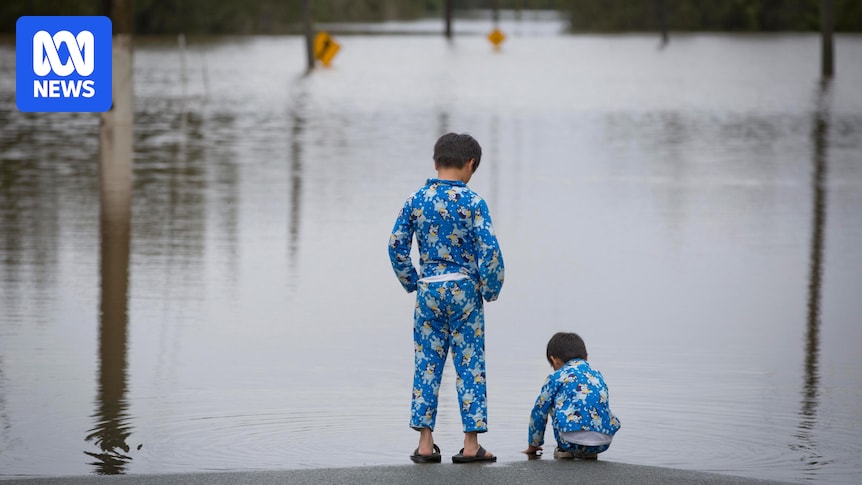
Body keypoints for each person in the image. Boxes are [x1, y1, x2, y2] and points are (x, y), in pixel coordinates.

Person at [388, 133, 505, 464]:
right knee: (470, 363)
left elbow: (396, 244)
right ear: (470, 164)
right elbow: (490, 251)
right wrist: (490, 288)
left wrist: (412, 281)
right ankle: (471, 445)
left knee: (427, 363)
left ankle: (425, 444)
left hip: (429, 290)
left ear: (435, 162)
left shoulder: (415, 199)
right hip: (465, 291)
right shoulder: (474, 202)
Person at [522, 332, 621, 460]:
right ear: (586, 357)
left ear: (554, 360)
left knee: (548, 402)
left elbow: (539, 412)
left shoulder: (556, 377)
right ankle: (590, 452)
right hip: (603, 442)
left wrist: (533, 445)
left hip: (570, 442)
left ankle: (564, 450)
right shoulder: (597, 376)